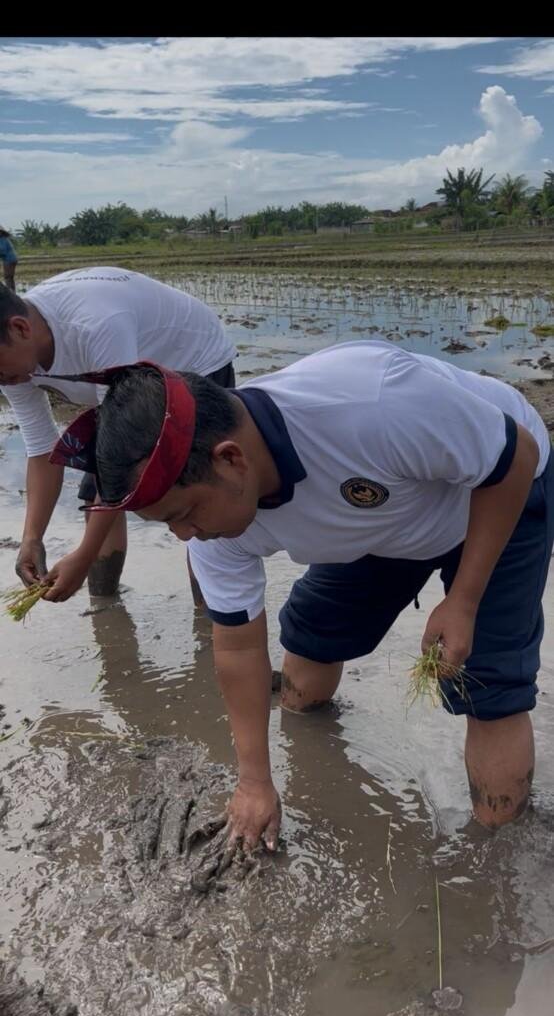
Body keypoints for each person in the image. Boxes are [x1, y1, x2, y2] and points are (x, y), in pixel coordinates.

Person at [51, 341, 553, 845]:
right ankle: (315, 746)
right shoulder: (210, 523)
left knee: (488, 683)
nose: (184, 536)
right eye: (167, 526)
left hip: (497, 495)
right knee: (309, 648)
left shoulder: (370, 404)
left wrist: (463, 600)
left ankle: (494, 857)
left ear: (230, 460)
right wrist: (254, 781)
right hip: (385, 520)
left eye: (183, 516)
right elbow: (239, 646)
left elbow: (514, 458)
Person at [0, 267, 236, 599]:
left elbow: (118, 456)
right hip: (129, 378)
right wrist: (32, 538)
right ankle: (104, 605)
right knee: (93, 497)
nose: (1, 381)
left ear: (20, 328)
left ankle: (213, 618)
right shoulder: (13, 363)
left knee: (197, 494)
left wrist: (82, 556)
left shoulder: (94, 326)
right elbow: (42, 449)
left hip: (193, 359)